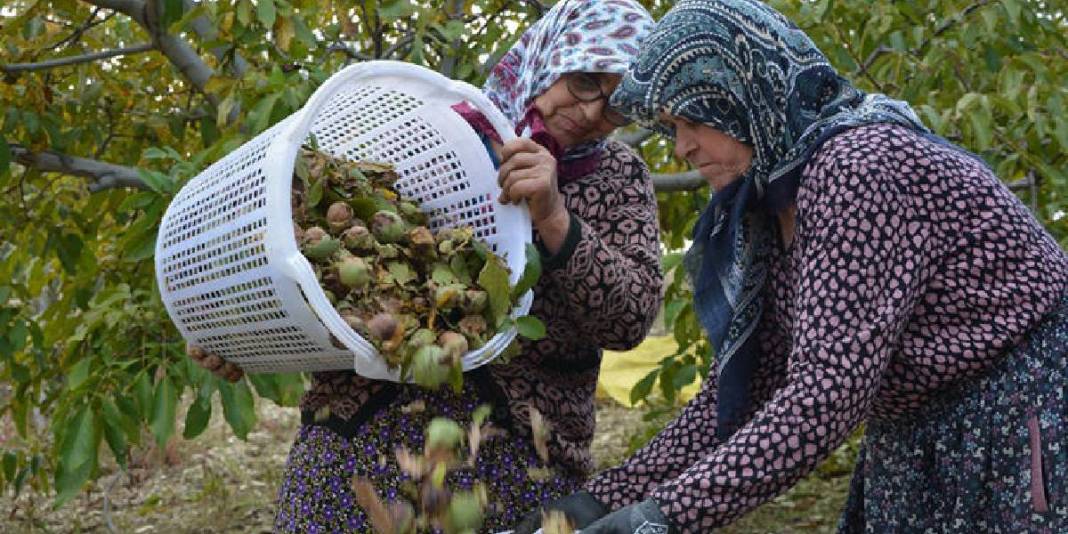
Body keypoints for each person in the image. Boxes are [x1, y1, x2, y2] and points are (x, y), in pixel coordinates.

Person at [516, 0, 1068, 532]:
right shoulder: (768, 205)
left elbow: (824, 396)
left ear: (739, 97)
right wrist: (593, 503)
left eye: (691, 121)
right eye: (669, 127)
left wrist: (662, 517)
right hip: (920, 437)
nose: (681, 147)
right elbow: (740, 395)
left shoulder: (859, 168)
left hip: (1018, 419)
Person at [189, 1, 662, 532]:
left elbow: (630, 320)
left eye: (619, 105)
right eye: (584, 81)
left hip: (516, 456)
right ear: (550, 58)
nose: (595, 112)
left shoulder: (618, 176)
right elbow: (324, 259)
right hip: (357, 436)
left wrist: (555, 218)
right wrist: (239, 330)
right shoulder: (437, 136)